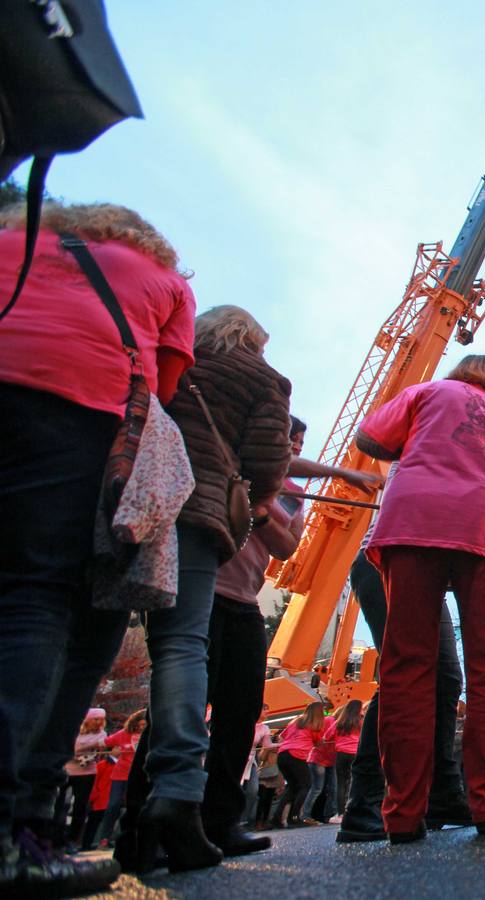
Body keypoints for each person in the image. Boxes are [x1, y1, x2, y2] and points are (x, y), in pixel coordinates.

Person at [1, 200, 195, 895]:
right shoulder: (163, 282)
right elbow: (161, 389)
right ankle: (19, 827)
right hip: (79, 419)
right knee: (45, 600)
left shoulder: (13, 243)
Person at [116, 304, 291, 874]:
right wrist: (257, 501)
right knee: (187, 656)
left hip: (140, 502)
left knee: (169, 660)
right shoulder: (262, 380)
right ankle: (188, 806)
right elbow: (268, 463)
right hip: (199, 518)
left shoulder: (175, 359)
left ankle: (139, 828)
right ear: (252, 336)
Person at [355, 354, 485, 844]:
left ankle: (403, 813)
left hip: (415, 517)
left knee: (407, 663)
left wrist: (421, 450)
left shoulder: (428, 392)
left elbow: (368, 438)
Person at [337, 464, 474, 844]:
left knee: (447, 680)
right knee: (404, 677)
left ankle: (442, 795)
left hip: (424, 567)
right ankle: (363, 803)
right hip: (387, 559)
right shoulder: (427, 446)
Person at [197, 417, 305, 858]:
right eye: (289, 439)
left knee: (240, 714)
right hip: (203, 588)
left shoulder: (295, 493)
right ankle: (145, 825)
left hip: (245, 599)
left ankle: (220, 823)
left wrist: (258, 514)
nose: (294, 447)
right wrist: (259, 513)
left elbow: (287, 545)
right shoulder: (234, 458)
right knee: (187, 703)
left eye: (299, 442)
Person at [92, 710, 145, 848]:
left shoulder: (150, 735)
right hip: (120, 774)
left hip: (139, 774)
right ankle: (104, 837)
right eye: (140, 724)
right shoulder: (123, 734)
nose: (141, 727)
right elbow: (104, 743)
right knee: (113, 804)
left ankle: (132, 837)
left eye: (144, 725)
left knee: (135, 805)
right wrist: (110, 752)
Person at [57, 710, 108, 850]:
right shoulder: (75, 731)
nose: (98, 722)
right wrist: (91, 746)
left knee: (80, 806)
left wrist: (79, 751)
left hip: (87, 772)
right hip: (67, 770)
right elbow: (72, 749)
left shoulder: (102, 734)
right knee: (60, 804)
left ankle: (72, 840)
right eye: (95, 719)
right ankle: (55, 837)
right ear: (88, 719)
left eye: (101, 719)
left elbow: (97, 749)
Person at [271, 703, 323, 829]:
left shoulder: (296, 721)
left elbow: (282, 736)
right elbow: (318, 742)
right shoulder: (315, 724)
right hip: (296, 755)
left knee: (293, 787)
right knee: (305, 785)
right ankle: (294, 817)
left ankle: (277, 818)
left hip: (283, 753)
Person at [325, 701, 362, 819]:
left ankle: (341, 813)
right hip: (356, 753)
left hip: (341, 754)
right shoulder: (361, 722)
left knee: (341, 783)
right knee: (355, 782)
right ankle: (355, 810)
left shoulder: (339, 723)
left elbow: (326, 737)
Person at [301, 710, 336, 824]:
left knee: (325, 788)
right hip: (321, 758)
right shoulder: (331, 720)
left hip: (325, 759)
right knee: (319, 788)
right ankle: (306, 815)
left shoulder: (329, 720)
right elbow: (325, 737)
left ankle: (326, 815)